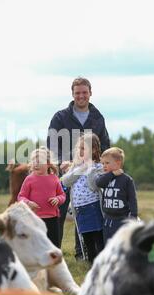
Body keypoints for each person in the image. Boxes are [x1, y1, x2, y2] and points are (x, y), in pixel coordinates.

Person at [47, 77, 110, 256]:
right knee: (58, 211)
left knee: (86, 209)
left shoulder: (97, 117)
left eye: (84, 92)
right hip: (67, 171)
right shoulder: (60, 117)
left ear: (90, 93)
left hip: (90, 172)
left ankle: (82, 253)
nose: (81, 96)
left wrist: (102, 165)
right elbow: (52, 143)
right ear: (72, 94)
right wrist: (62, 163)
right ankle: (53, 252)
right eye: (77, 93)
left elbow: (104, 143)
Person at [61, 133, 104, 264]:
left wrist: (89, 168)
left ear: (94, 150)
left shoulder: (99, 167)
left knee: (98, 239)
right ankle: (91, 264)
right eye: (78, 148)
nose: (79, 151)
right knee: (87, 239)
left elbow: (94, 186)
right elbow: (65, 181)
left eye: (83, 148)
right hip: (79, 209)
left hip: (94, 206)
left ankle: (102, 263)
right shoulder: (76, 167)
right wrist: (81, 168)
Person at [17, 147, 66, 247]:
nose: (36, 164)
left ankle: (54, 261)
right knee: (37, 245)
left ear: (48, 164)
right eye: (34, 162)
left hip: (52, 218)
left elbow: (62, 195)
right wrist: (28, 203)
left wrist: (57, 199)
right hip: (35, 219)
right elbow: (21, 196)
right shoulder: (29, 179)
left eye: (39, 162)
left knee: (54, 244)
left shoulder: (54, 178)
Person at [95, 147, 138, 243]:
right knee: (108, 243)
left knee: (121, 243)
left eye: (107, 163)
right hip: (107, 219)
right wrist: (112, 174)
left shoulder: (127, 180)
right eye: (103, 163)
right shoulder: (106, 178)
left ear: (118, 163)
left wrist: (134, 216)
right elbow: (98, 183)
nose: (104, 166)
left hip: (122, 219)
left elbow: (132, 199)